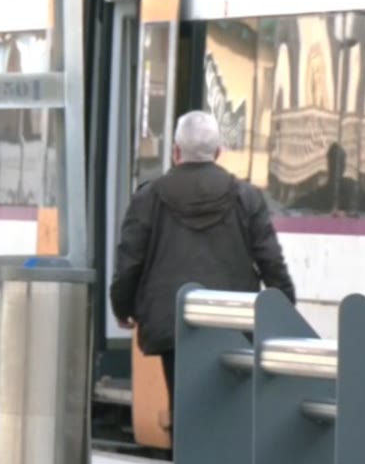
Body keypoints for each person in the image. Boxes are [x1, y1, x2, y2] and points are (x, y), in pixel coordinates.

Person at [110, 110, 295, 423]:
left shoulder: (148, 198)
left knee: (184, 412)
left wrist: (122, 306)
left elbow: (130, 260)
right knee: (230, 414)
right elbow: (270, 260)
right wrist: (285, 308)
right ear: (218, 152)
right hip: (233, 321)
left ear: (176, 151)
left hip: (173, 323)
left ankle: (184, 453)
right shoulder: (246, 197)